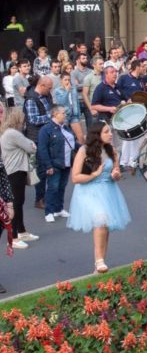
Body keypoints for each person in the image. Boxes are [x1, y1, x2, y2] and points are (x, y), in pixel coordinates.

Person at [66, 121, 130, 273]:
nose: (110, 134)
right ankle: (99, 261)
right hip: (88, 191)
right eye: (107, 131)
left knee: (105, 226)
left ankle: (99, 263)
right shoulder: (84, 151)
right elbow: (75, 178)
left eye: (110, 131)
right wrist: (94, 174)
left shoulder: (112, 151)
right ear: (97, 135)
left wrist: (115, 175)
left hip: (108, 190)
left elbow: (116, 173)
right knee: (101, 219)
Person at [0, 107, 39, 249]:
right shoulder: (13, 134)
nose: (23, 121)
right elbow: (31, 147)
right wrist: (30, 144)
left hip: (14, 170)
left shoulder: (9, 133)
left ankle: (21, 231)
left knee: (19, 202)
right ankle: (14, 237)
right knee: (16, 204)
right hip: (15, 171)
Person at [37, 105, 76, 222]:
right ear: (55, 114)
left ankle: (58, 209)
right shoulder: (46, 129)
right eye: (63, 113)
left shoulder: (65, 127)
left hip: (66, 162)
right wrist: (48, 165)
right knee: (53, 188)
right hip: (54, 164)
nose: (65, 115)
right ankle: (49, 211)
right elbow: (42, 149)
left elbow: (72, 143)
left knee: (62, 187)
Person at [24, 76, 53, 208]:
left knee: (49, 167)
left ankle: (47, 196)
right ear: (42, 85)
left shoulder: (45, 96)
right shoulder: (31, 99)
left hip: (47, 135)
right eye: (49, 88)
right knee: (41, 169)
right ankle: (39, 198)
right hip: (36, 137)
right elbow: (33, 120)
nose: (50, 90)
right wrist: (50, 117)